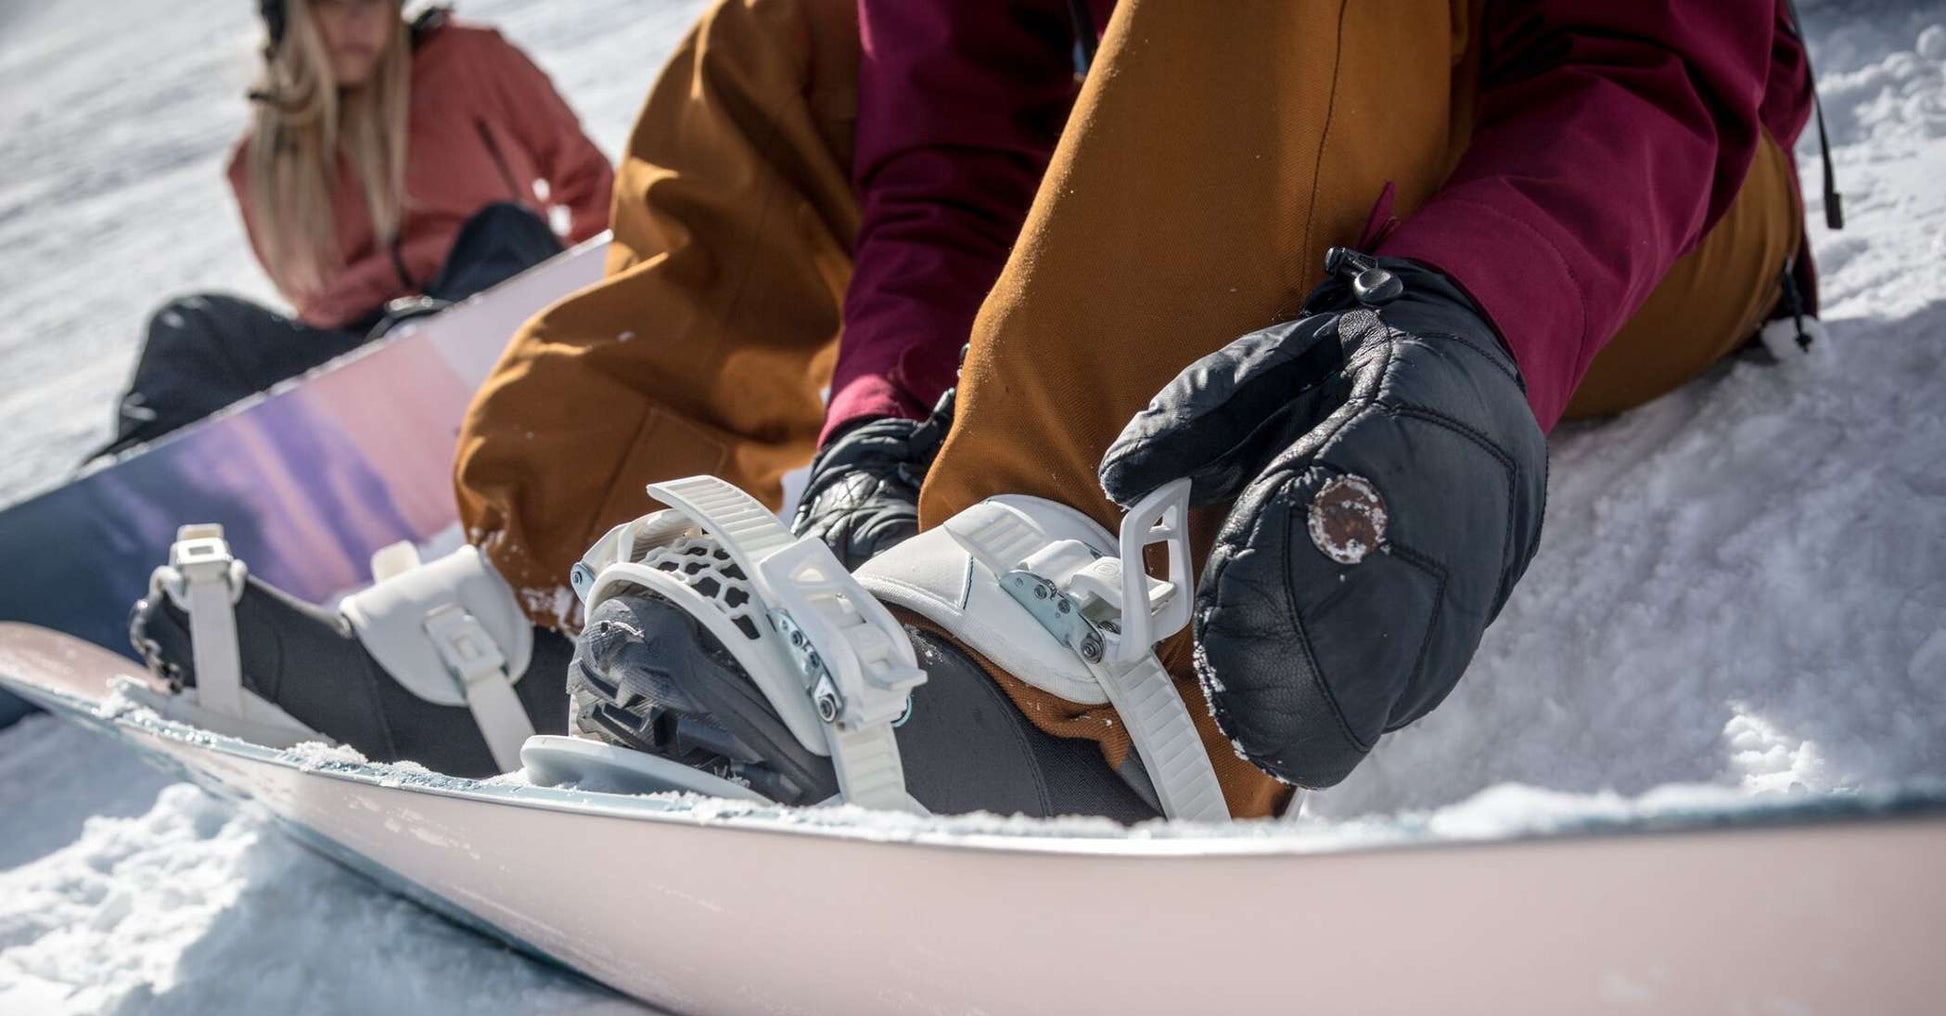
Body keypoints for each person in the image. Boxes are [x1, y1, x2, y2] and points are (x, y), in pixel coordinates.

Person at [132, 0, 1825, 820]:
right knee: (796, 26)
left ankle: (1072, 671)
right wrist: (879, 429)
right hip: (1287, 150)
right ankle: (557, 578)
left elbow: (1654, 57)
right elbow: (944, 160)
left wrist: (1473, 311)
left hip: (1629, 196)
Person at [101, 0, 612, 458]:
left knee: (505, 229)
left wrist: (608, 299)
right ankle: (128, 487)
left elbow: (593, 188)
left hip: (492, 323)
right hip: (367, 364)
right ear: (291, 18)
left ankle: (436, 355)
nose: (360, 18)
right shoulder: (259, 164)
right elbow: (308, 299)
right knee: (191, 326)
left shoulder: (467, 60)